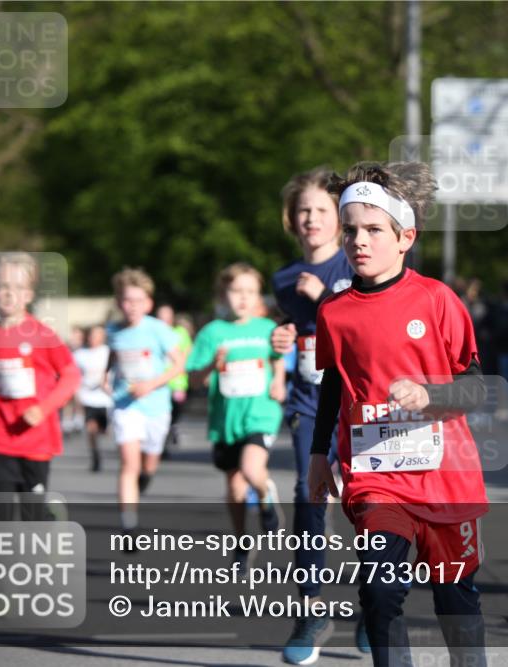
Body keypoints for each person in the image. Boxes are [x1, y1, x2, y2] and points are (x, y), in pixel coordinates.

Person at [309, 161, 489, 667]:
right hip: (376, 477)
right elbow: (332, 387)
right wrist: (319, 455)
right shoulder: (334, 312)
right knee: (380, 591)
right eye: (350, 231)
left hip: (445, 476)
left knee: (454, 595)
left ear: (405, 236)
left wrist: (428, 396)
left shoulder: (437, 300)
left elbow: (475, 389)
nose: (358, 242)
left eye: (373, 230)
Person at [269, 168, 356, 665]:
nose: (312, 219)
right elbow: (290, 331)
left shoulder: (357, 264)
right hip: (308, 401)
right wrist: (278, 338)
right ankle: (311, 609)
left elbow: (363, 324)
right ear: (291, 219)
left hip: (359, 402)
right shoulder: (284, 279)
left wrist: (324, 299)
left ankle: (375, 604)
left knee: (369, 504)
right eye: (304, 211)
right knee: (307, 496)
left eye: (322, 210)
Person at [0, 253, 81, 520]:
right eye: (3, 287)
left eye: (17, 288)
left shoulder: (43, 335)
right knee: (2, 514)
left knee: (33, 515)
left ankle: (48, 520)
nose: (9, 294)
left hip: (35, 439)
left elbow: (71, 375)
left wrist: (43, 409)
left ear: (28, 294)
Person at [186, 263, 286, 565]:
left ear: (259, 297)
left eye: (250, 292)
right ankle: (242, 540)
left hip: (260, 413)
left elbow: (278, 358)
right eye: (236, 291)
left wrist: (279, 380)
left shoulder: (267, 329)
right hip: (226, 418)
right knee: (233, 486)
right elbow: (193, 379)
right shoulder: (212, 333)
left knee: (252, 469)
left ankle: (266, 498)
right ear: (222, 294)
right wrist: (209, 367)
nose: (243, 298)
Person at [106, 268, 186, 536]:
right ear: (119, 302)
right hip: (125, 405)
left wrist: (151, 384)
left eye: (138, 301)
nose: (132, 306)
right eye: (127, 300)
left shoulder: (158, 330)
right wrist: (106, 378)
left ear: (148, 303)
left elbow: (179, 365)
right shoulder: (113, 330)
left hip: (156, 406)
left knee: (148, 465)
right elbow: (113, 359)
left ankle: (141, 485)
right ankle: (129, 526)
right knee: (129, 464)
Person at [73, 324, 113, 472]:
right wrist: (77, 397)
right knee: (91, 429)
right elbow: (75, 378)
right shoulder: (79, 355)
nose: (94, 338)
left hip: (106, 399)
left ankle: (101, 440)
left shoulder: (108, 352)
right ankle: (95, 454)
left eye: (98, 335)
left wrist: (108, 384)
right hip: (87, 398)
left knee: (103, 431)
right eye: (92, 335)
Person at [156, 304, 193, 455]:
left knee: (173, 412)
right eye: (161, 317)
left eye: (166, 317)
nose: (164, 321)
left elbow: (188, 353)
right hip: (157, 382)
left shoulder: (180, 333)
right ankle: (161, 443)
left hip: (176, 382)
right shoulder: (152, 332)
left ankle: (169, 433)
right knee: (160, 413)